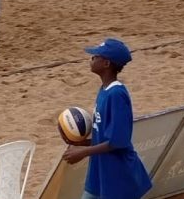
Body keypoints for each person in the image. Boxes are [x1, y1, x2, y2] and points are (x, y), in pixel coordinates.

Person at [62, 38, 153, 199]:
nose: (92, 59)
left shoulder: (116, 94)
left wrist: (83, 152)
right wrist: (83, 143)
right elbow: (105, 135)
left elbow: (118, 141)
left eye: (96, 56)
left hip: (117, 175)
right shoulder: (104, 90)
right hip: (100, 172)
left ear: (106, 64)